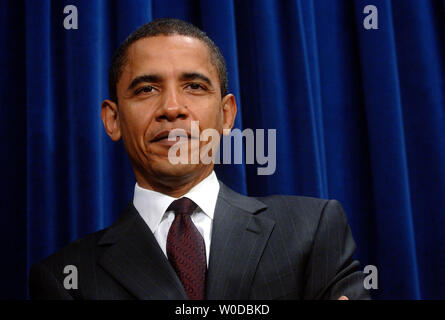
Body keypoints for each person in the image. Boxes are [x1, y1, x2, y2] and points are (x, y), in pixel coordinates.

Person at [28, 18, 370, 300]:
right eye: (146, 89)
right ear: (113, 120)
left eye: (194, 86)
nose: (172, 108)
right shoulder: (64, 279)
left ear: (226, 114)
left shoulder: (314, 230)